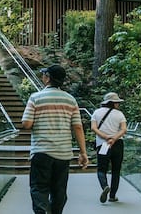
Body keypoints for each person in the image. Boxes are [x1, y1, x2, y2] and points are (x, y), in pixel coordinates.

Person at [22, 64, 90, 214]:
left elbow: (26, 124)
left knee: (39, 188)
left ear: (48, 78)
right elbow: (78, 127)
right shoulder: (70, 100)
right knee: (59, 190)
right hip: (63, 153)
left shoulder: (35, 97)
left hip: (41, 151)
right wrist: (83, 153)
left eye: (44, 74)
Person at [91, 92, 128, 203]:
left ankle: (105, 186)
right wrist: (114, 138)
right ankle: (112, 196)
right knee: (116, 170)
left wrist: (106, 137)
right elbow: (123, 129)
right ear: (112, 103)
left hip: (103, 144)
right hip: (117, 144)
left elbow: (94, 128)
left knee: (101, 169)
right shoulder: (120, 114)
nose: (118, 105)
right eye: (117, 102)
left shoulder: (96, 113)